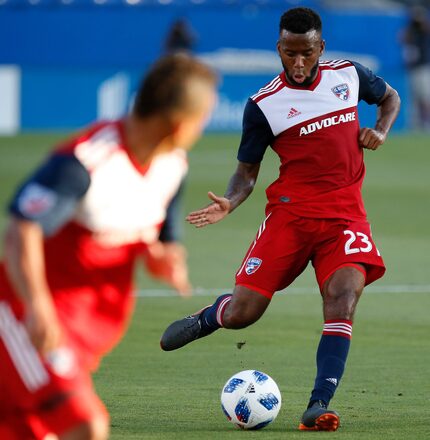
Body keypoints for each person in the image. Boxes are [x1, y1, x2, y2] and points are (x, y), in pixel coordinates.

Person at [161, 7, 400, 432]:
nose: (299, 62)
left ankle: (317, 405)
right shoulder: (264, 105)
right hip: (290, 217)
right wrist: (230, 201)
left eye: (307, 52)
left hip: (345, 218)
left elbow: (390, 97)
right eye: (290, 53)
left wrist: (380, 129)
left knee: (343, 299)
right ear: (279, 49)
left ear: (320, 47)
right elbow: (246, 173)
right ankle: (211, 317)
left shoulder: (348, 75)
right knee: (244, 314)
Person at [0, 54, 217, 440]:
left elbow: (157, 235)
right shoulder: (85, 162)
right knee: (87, 425)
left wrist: (165, 259)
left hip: (85, 338)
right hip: (26, 321)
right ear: (179, 123)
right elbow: (21, 231)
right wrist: (37, 308)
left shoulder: (172, 167)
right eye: (203, 117)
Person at [401, 5, 430, 130]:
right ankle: (416, 124)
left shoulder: (424, 31)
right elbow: (403, 37)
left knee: (425, 97)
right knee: (414, 98)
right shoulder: (411, 31)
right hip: (413, 69)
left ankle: (427, 123)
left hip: (423, 68)